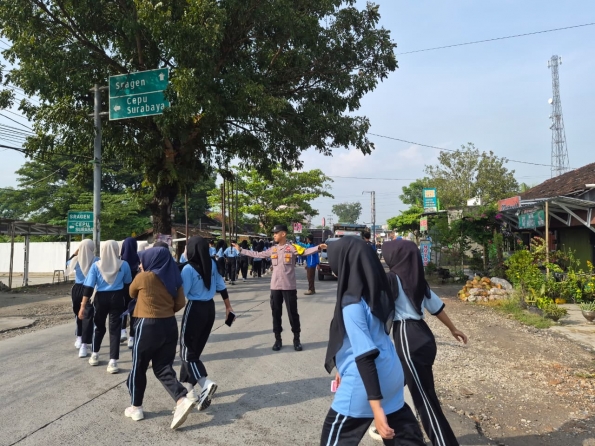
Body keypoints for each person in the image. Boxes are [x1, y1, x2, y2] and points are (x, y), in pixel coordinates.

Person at [321, 237, 424, 446]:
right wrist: (343, 366)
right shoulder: (375, 295)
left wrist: (376, 410)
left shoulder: (351, 304)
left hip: (364, 384)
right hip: (393, 378)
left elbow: (365, 355)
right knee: (407, 440)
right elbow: (366, 339)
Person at [383, 239, 468, 446]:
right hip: (424, 335)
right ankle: (390, 427)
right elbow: (436, 308)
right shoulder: (418, 280)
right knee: (393, 384)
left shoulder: (391, 279)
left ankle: (444, 442)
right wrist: (453, 328)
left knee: (424, 399)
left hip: (407, 336)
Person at [125, 246, 196, 429]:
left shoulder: (144, 277)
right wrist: (165, 310)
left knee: (139, 366)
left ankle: (136, 407)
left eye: (143, 260)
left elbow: (131, 292)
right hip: (169, 325)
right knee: (163, 367)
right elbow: (180, 302)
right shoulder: (175, 277)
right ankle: (181, 399)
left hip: (147, 325)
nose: (140, 264)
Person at [233, 225, 323, 351]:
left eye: (276, 233)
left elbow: (305, 251)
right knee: (276, 313)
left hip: (289, 287)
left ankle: (296, 339)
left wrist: (318, 247)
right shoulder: (273, 249)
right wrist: (241, 250)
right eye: (274, 233)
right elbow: (258, 254)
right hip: (275, 287)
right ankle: (278, 339)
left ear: (283, 234)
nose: (274, 235)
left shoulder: (292, 248)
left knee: (293, 314)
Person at [180, 236, 235, 412]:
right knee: (194, 351)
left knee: (187, 352)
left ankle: (205, 382)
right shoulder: (211, 263)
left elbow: (183, 294)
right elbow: (221, 286)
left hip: (194, 309)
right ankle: (189, 390)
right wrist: (228, 307)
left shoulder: (188, 268)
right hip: (210, 309)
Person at [79, 240, 132, 374]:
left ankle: (95, 354)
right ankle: (113, 361)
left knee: (99, 327)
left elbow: (89, 287)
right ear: (116, 250)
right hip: (117, 298)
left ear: (102, 250)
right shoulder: (124, 264)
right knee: (115, 329)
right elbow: (128, 283)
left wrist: (82, 306)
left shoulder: (96, 266)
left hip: (100, 299)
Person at [66, 239, 97, 358]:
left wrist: (75, 253)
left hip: (77, 289)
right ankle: (84, 344)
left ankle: (79, 337)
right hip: (90, 290)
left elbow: (67, 263)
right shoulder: (96, 260)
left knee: (77, 314)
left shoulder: (75, 260)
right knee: (88, 316)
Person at [120, 237, 140, 349]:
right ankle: (131, 338)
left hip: (122, 289)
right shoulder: (139, 259)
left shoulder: (121, 261)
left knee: (122, 309)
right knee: (133, 312)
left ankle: (122, 331)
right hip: (136, 290)